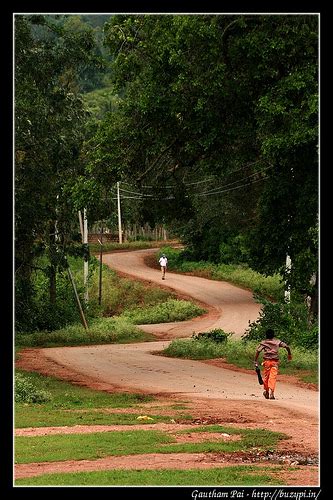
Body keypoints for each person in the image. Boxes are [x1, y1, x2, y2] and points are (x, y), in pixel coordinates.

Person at [254, 328, 292, 400]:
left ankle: (266, 392)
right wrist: (289, 354)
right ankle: (272, 393)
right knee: (273, 377)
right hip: (275, 363)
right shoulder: (277, 342)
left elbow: (258, 351)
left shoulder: (264, 342)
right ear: (273, 335)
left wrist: (255, 361)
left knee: (267, 378)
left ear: (266, 335)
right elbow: (287, 346)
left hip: (267, 362)